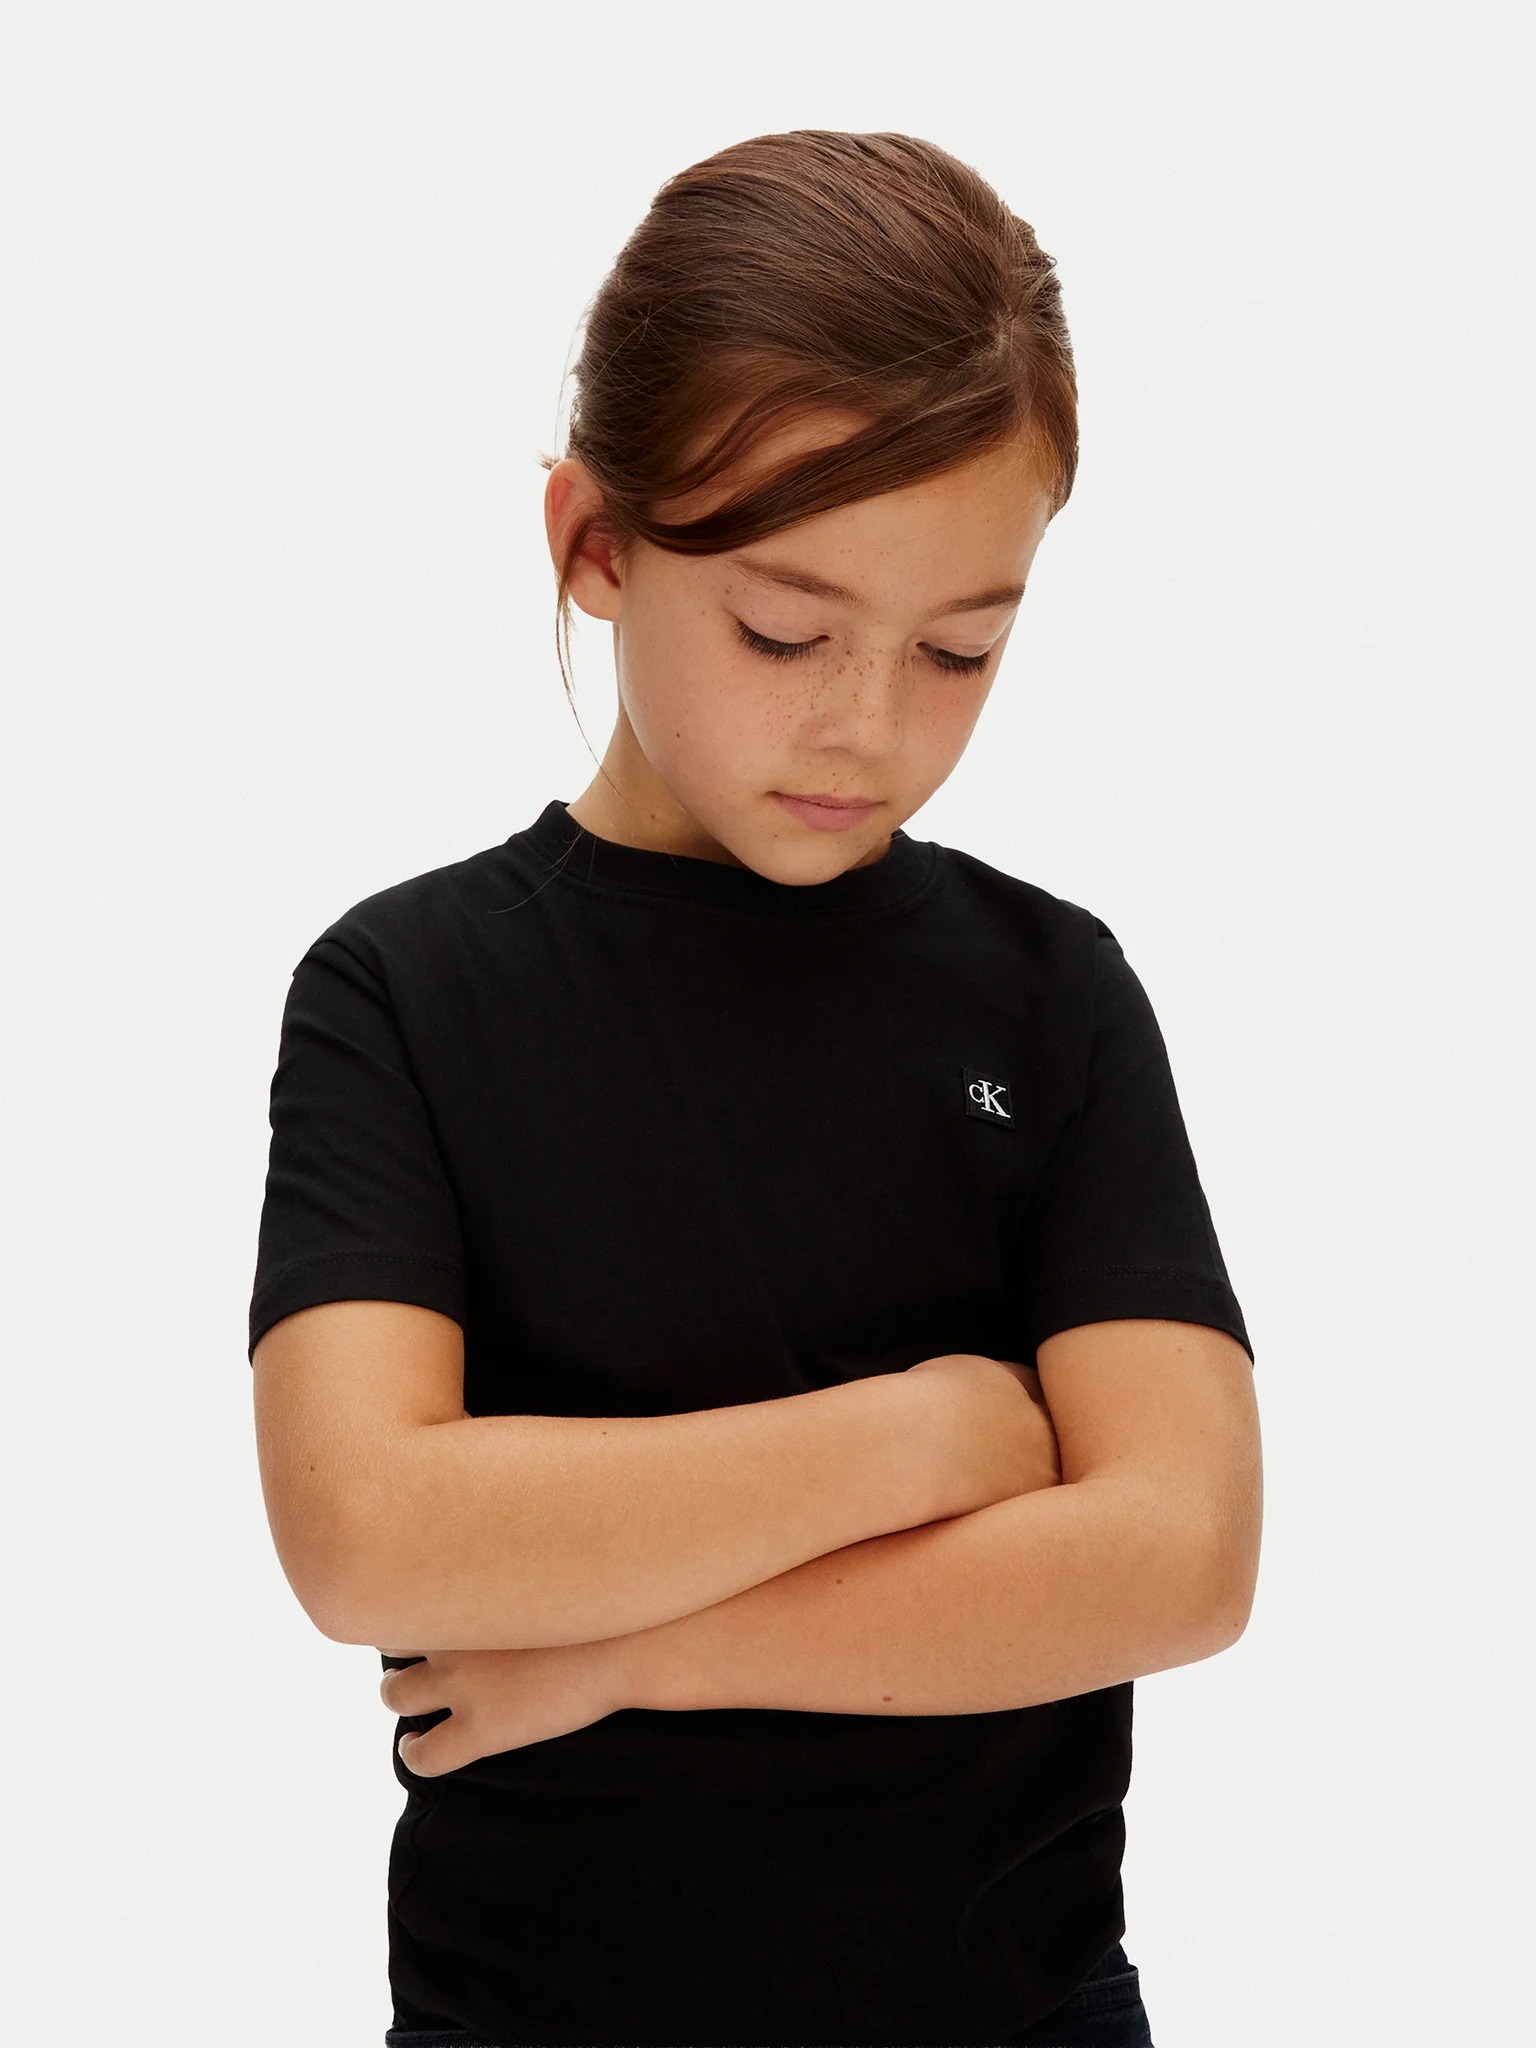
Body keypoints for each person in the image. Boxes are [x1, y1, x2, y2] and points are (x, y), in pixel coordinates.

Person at [248, 128, 1262, 2048]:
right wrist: (923, 1438)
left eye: (960, 649)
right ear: (595, 545)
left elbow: (1181, 1557)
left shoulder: (1052, 992)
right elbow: (368, 1527)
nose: (865, 724)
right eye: (785, 631)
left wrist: (623, 1648)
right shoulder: (406, 991)